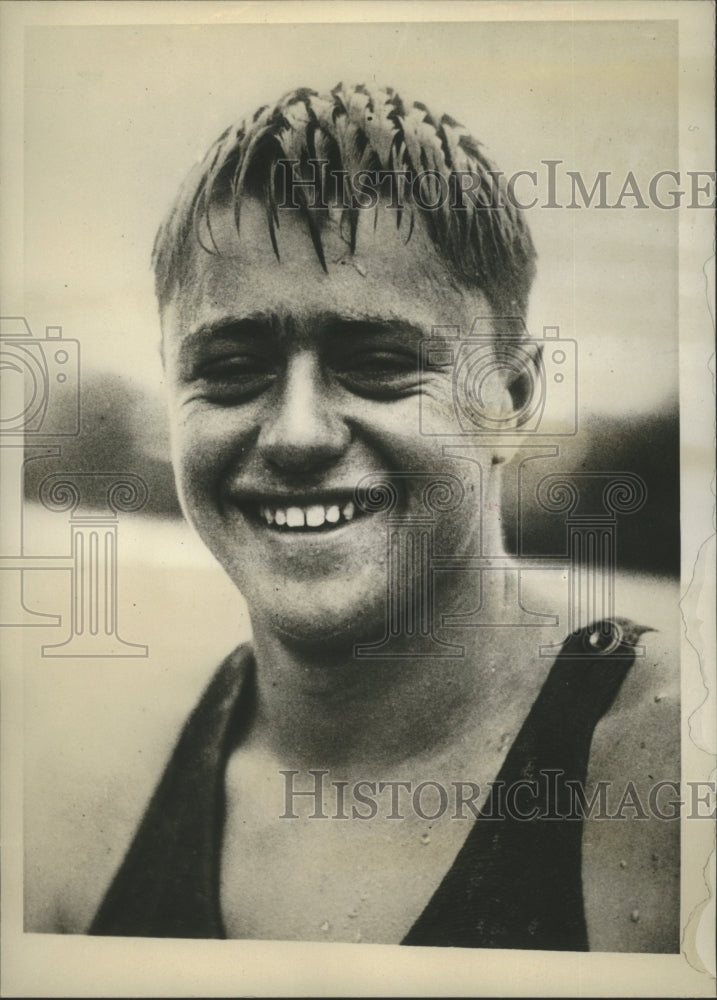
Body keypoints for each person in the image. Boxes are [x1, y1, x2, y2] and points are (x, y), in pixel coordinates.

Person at [27, 83, 680, 951]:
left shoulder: (668, 775)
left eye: (377, 362)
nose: (297, 433)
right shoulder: (88, 801)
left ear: (513, 398)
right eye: (230, 368)